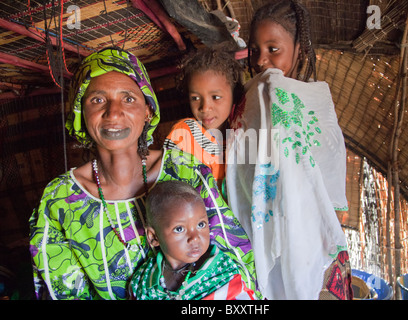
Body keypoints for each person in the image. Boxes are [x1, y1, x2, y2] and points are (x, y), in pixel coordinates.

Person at [29, 47, 258, 300]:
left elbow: (236, 256)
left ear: (148, 110)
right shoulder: (59, 201)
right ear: (81, 113)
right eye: (97, 100)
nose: (113, 112)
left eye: (128, 99)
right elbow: (62, 293)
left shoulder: (184, 169)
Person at [226, 0, 352, 300]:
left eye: (273, 49)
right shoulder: (247, 98)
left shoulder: (313, 101)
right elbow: (240, 160)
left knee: (301, 283)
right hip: (256, 222)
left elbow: (330, 157)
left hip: (304, 226)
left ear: (299, 49)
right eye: (255, 51)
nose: (261, 61)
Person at [129, 180, 255, 300]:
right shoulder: (144, 279)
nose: (195, 237)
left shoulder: (221, 270)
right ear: (154, 237)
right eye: (179, 229)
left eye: (201, 225)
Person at [163, 46, 244, 194]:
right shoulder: (185, 133)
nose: (205, 107)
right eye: (195, 98)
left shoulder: (239, 132)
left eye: (216, 97)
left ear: (234, 94)